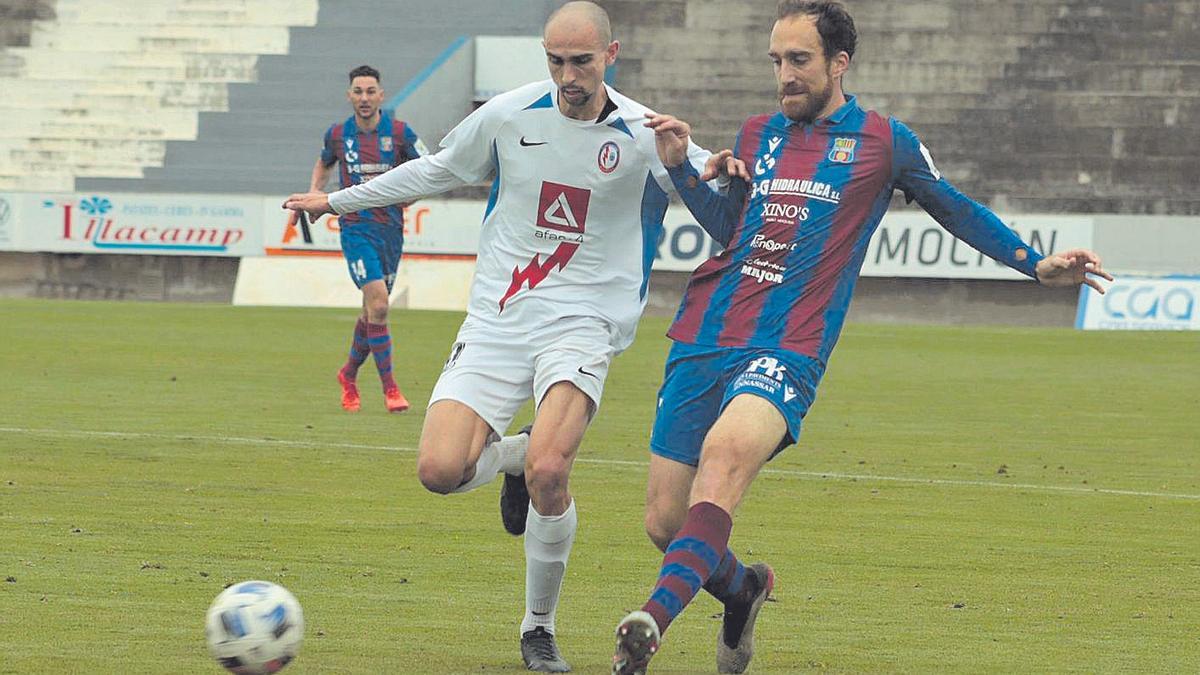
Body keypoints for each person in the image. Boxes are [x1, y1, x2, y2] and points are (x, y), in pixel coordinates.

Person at [613, 2, 1114, 673]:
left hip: (790, 344)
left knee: (727, 455)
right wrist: (680, 167)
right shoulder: (759, 131)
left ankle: (650, 623)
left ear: (838, 63)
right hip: (707, 331)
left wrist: (1033, 261)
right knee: (666, 523)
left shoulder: (884, 141)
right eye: (776, 60)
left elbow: (953, 206)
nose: (784, 75)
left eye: (798, 61)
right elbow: (734, 234)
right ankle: (746, 588)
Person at [285, 3, 715, 671]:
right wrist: (336, 199)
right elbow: (436, 170)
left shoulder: (642, 131)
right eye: (555, 61)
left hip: (584, 323)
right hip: (499, 317)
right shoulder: (511, 113)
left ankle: (537, 626)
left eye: (581, 61)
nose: (567, 76)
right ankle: (506, 458)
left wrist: (709, 168)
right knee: (439, 470)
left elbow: (715, 188)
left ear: (612, 54)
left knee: (552, 468)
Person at [310, 65, 427, 414]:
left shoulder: (401, 133)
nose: (364, 98)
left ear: (381, 95)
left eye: (370, 91)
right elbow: (323, 164)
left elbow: (428, 168)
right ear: (349, 96)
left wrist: (414, 196)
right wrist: (315, 193)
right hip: (355, 228)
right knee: (378, 305)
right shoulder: (337, 134)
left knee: (371, 312)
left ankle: (348, 374)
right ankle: (390, 389)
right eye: (357, 91)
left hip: (390, 230)